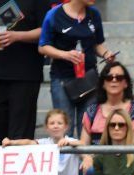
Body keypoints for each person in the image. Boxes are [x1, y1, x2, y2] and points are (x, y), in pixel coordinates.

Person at [38, 0, 114, 138]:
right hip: (63, 78)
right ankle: (64, 159)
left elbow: (97, 44)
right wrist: (64, 54)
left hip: (88, 79)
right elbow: (43, 47)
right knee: (64, 124)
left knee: (86, 124)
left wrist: (106, 54)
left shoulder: (94, 14)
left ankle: (83, 159)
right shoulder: (54, 14)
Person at [0, 0, 48, 144]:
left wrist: (16, 36)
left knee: (20, 133)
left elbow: (45, 31)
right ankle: (3, 160)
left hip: (26, 72)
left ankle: (19, 164)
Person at [2, 107, 81, 175]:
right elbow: (28, 142)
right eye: (52, 123)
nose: (55, 126)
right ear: (46, 127)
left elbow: (81, 143)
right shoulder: (44, 143)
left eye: (59, 123)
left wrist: (69, 143)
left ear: (66, 127)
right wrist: (11, 142)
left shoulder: (71, 140)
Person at [81, 61, 134, 145]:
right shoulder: (92, 110)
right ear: (103, 83)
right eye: (109, 78)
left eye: (119, 78)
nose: (114, 80)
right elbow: (83, 145)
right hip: (94, 157)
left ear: (126, 83)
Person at [80, 107, 134, 175]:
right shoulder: (100, 156)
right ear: (107, 128)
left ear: (128, 127)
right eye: (112, 125)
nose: (116, 128)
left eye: (121, 125)